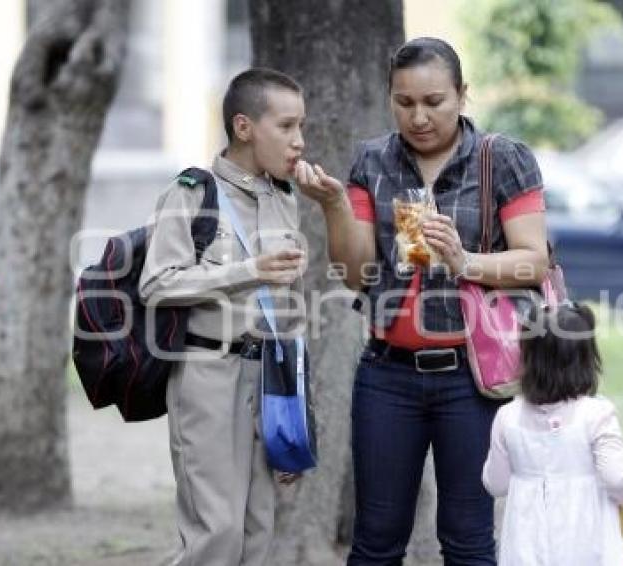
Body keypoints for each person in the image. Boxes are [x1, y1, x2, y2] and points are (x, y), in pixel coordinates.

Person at [295, 37, 549, 564]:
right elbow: (354, 272)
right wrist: (335, 206)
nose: (418, 116)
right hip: (387, 375)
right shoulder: (373, 159)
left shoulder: (501, 158)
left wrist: (466, 263)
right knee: (376, 542)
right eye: (404, 102)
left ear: (462, 94)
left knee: (468, 541)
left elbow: (533, 261)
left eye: (434, 101)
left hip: (472, 380)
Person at [139, 68, 308, 566]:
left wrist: (298, 415)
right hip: (207, 375)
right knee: (217, 533)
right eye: (287, 126)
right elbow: (156, 283)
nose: (299, 141)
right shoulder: (191, 193)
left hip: (269, 379)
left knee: (259, 532)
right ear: (244, 126)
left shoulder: (284, 201)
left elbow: (291, 313)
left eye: (302, 127)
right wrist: (246, 271)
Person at [482, 303, 623, 566]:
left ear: (527, 355)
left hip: (525, 547)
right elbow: (617, 479)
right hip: (590, 543)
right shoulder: (597, 414)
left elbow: (495, 484)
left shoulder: (507, 417)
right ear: (586, 358)